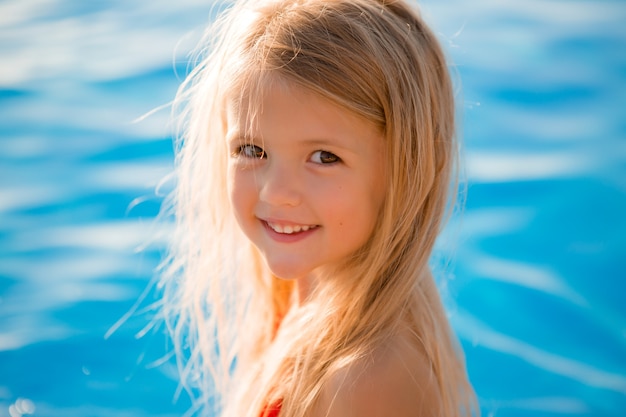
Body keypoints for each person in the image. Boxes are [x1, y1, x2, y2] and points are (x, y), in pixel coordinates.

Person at [159, 0, 478, 416]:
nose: (276, 193)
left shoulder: (368, 378)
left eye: (324, 157)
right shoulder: (305, 289)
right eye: (252, 149)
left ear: (405, 167)